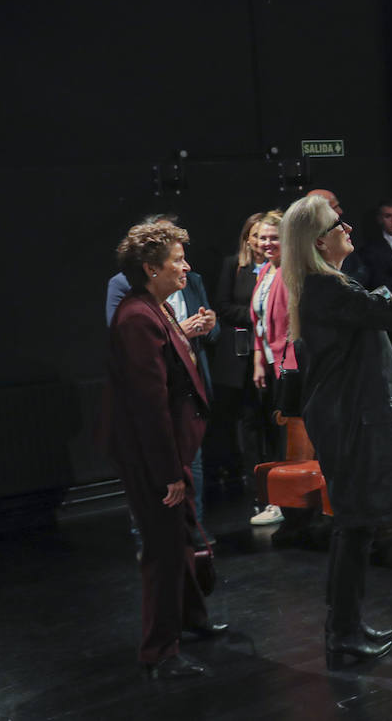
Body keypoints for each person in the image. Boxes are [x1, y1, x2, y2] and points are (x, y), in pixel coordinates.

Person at [281, 196, 392, 668]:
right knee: (354, 525)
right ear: (319, 240)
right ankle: (342, 632)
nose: (349, 229)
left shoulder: (329, 285)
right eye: (339, 225)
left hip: (346, 416)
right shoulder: (325, 288)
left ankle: (347, 625)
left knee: (354, 527)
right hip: (348, 419)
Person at [103, 220, 225, 679]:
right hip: (154, 455)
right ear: (152, 268)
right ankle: (159, 650)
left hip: (171, 447)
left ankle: (192, 622)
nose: (186, 266)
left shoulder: (155, 308)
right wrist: (168, 472)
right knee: (164, 549)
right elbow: (147, 405)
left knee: (184, 535)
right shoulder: (137, 317)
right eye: (177, 260)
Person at [213, 212, 266, 496]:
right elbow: (222, 306)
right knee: (247, 421)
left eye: (267, 236)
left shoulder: (280, 267)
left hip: (272, 354)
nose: (261, 242)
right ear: (247, 238)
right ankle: (253, 482)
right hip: (241, 356)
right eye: (256, 236)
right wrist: (260, 315)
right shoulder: (233, 265)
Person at [248, 210, 295, 527]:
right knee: (274, 434)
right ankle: (282, 501)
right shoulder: (264, 270)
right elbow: (259, 323)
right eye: (263, 237)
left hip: (290, 366)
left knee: (289, 437)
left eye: (273, 237)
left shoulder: (291, 271)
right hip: (270, 363)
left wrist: (284, 363)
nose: (267, 243)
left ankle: (288, 504)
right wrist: (258, 361)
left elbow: (295, 325)